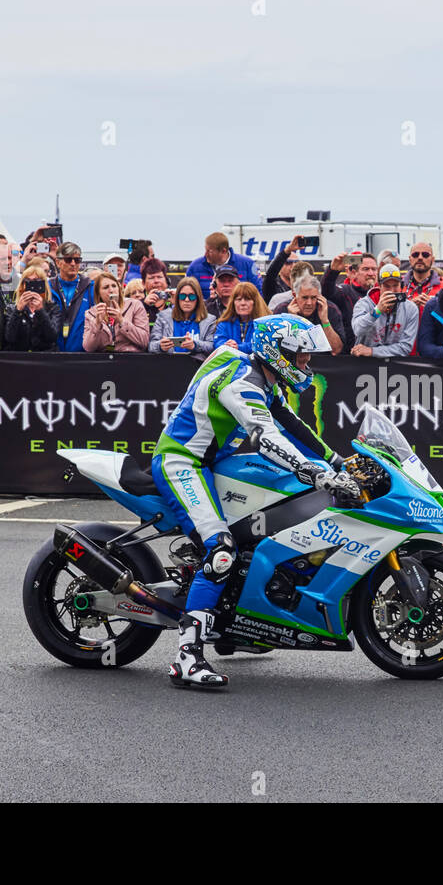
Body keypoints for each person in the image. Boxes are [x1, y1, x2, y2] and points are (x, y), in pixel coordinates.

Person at [152, 315, 361, 688]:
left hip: (213, 462)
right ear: (276, 353)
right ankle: (187, 657)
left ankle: (236, 623)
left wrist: (337, 461)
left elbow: (292, 425)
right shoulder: (242, 384)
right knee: (221, 550)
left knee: (258, 531)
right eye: (299, 357)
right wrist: (315, 474)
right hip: (182, 461)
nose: (305, 365)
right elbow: (266, 437)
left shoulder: (261, 375)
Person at [349, 265, 420, 357]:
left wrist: (372, 351)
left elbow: (405, 347)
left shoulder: (410, 308)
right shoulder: (364, 304)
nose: (391, 291)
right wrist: (377, 311)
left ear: (401, 285)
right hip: (366, 363)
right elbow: (357, 330)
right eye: (386, 286)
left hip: (395, 365)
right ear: (379, 286)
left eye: (395, 285)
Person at [273, 275, 344, 354]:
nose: (309, 303)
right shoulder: (282, 311)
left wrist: (325, 321)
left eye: (313, 297)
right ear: (294, 296)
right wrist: (292, 321)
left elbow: (336, 350)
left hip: (324, 363)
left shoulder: (330, 309)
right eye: (305, 298)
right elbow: (278, 350)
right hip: (292, 363)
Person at [322, 252, 378, 351]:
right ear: (354, 272)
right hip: (350, 358)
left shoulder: (382, 294)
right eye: (365, 269)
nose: (371, 273)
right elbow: (326, 292)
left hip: (377, 354)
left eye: (374, 269)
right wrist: (332, 271)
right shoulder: (345, 291)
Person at [83, 272, 149, 353]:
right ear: (98, 293)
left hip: (130, 358)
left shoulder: (135, 305)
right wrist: (97, 325)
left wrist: (122, 321)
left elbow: (144, 341)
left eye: (114, 286)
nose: (111, 290)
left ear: (119, 289)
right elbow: (88, 348)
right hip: (104, 360)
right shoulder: (91, 313)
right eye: (105, 287)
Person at [151, 277, 216, 355]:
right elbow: (151, 346)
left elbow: (212, 346)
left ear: (198, 298)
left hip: (197, 365)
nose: (187, 300)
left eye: (191, 296)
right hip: (169, 364)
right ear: (177, 298)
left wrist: (195, 345)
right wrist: (160, 346)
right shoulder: (163, 317)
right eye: (182, 296)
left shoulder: (209, 320)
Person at [3, 266, 62, 352]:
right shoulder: (11, 308)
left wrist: (41, 311)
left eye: (36, 282)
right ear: (22, 284)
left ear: (43, 284)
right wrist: (18, 310)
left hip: (44, 357)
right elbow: (10, 337)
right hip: (19, 358)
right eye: (28, 282)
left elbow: (52, 337)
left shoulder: (53, 308)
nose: (32, 286)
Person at [184, 231, 261, 295]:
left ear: (223, 251)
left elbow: (259, 292)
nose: (205, 254)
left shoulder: (248, 264)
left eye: (210, 251)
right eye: (205, 250)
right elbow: (184, 294)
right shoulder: (194, 267)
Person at [48, 242, 93, 352]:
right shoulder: (48, 287)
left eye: (77, 260)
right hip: (52, 354)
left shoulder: (90, 286)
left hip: (82, 354)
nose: (73, 263)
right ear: (58, 262)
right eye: (68, 260)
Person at [212, 282, 271, 353]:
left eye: (247, 299)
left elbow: (262, 344)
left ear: (255, 302)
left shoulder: (266, 324)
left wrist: (238, 347)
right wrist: (226, 345)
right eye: (239, 299)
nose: (243, 303)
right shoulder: (224, 323)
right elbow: (218, 341)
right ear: (233, 303)